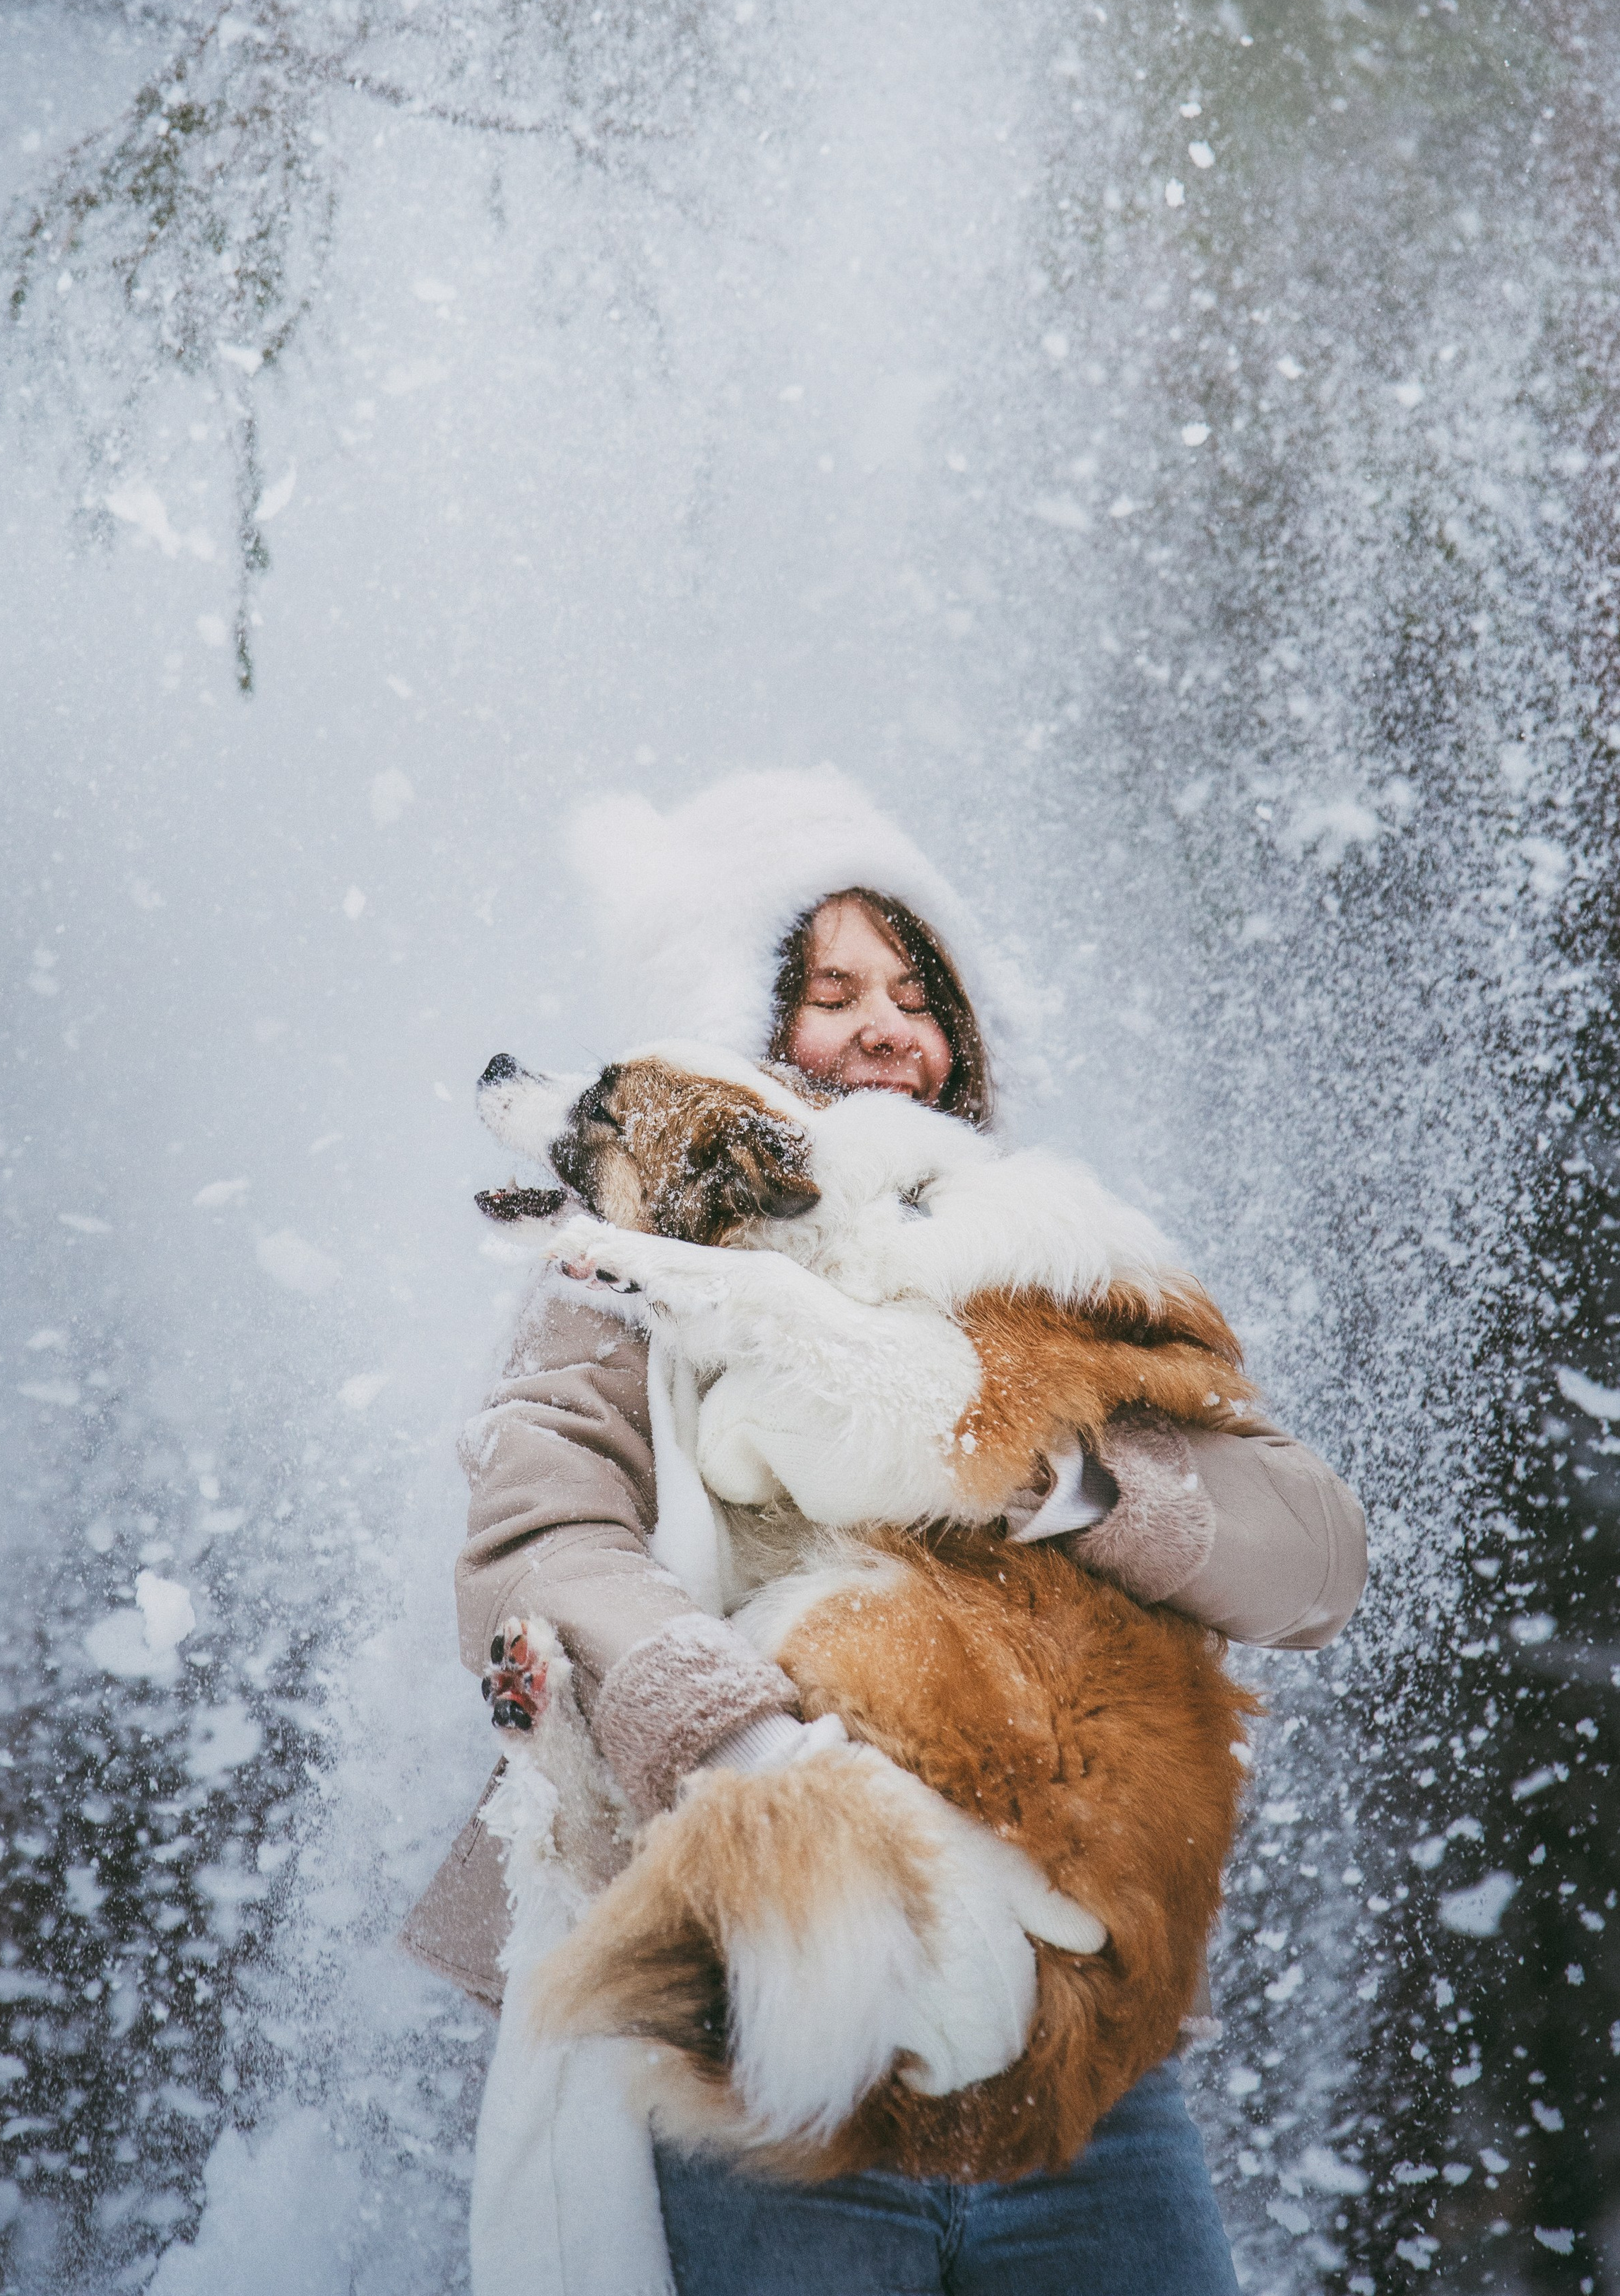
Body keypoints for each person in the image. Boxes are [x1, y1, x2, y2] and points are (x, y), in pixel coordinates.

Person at [407, 772, 1367, 2296]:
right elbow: (539, 1539)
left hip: (1080, 2088)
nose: (881, 1028)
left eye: (915, 995)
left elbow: (1309, 1560)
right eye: (829, 989)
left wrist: (1055, 1479)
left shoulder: (1044, 1275)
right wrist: (747, 1759)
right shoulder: (614, 1283)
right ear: (742, 1029)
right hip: (779, 2028)